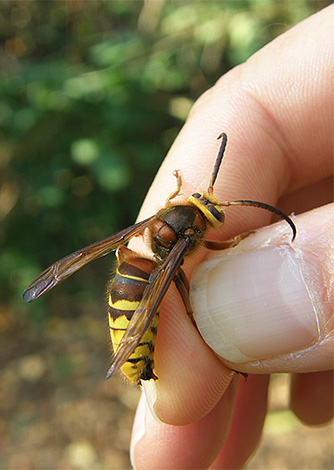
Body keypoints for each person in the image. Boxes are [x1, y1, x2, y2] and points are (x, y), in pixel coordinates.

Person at [129, 5, 333, 469]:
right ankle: (142, 350)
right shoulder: (190, 239)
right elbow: (206, 246)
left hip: (139, 272)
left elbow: (173, 220)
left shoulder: (171, 222)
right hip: (142, 303)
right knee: (178, 292)